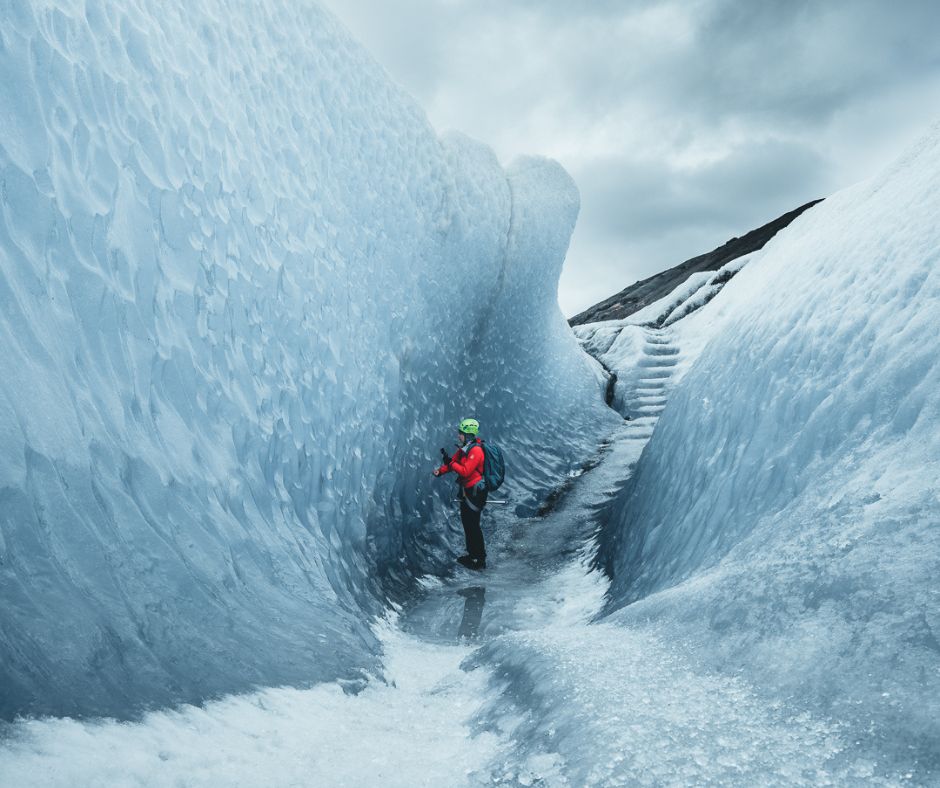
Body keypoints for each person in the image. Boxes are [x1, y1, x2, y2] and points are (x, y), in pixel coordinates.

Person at [434, 417, 488, 570]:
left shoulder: (476, 450)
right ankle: (472, 555)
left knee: (473, 525)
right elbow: (453, 464)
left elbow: (465, 470)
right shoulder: (465, 448)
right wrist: (441, 471)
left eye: (461, 433)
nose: (459, 435)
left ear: (469, 434)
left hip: (476, 493)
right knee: (467, 524)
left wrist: (450, 463)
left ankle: (481, 560)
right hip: (466, 491)